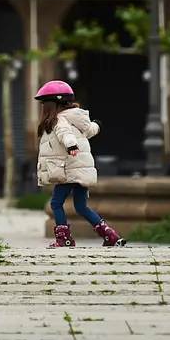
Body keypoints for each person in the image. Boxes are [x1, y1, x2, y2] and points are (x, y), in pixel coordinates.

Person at [35, 80, 126, 248]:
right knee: (81, 206)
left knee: (55, 203)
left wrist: (70, 145)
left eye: (44, 104)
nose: (42, 108)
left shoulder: (58, 120)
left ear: (53, 104)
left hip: (68, 169)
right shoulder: (77, 118)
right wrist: (98, 126)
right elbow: (89, 130)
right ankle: (110, 235)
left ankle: (64, 239)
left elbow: (65, 134)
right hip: (81, 169)